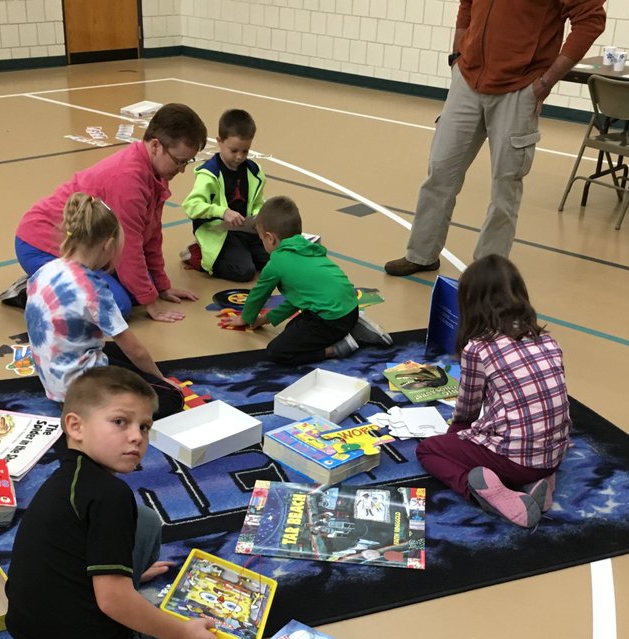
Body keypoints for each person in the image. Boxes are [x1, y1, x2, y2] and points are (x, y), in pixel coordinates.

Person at [5, 367, 228, 639]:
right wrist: (182, 635)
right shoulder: (109, 497)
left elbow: (62, 557)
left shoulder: (67, 478)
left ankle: (121, 590)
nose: (135, 438)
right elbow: (112, 602)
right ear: (75, 426)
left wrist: (128, 576)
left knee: (143, 520)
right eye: (120, 422)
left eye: (144, 427)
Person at [383, 0, 606, 277]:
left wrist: (545, 83)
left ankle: (487, 271)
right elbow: (467, 6)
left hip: (519, 88)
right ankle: (422, 254)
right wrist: (456, 56)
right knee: (440, 171)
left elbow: (590, 22)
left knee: (505, 186)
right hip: (467, 80)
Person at [9, 103, 208, 322]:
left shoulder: (156, 173)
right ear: (155, 146)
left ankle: (57, 282)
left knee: (140, 288)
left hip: (89, 247)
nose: (182, 170)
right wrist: (151, 303)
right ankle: (32, 291)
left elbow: (150, 236)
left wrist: (161, 287)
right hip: (39, 245)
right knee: (116, 307)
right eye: (179, 161)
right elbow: (129, 248)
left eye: (187, 162)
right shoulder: (129, 180)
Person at [416, 254, 569, 527]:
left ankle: (487, 493)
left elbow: (467, 409)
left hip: (517, 458)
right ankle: (537, 483)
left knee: (428, 451)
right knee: (520, 437)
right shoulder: (547, 339)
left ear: (469, 303)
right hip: (555, 455)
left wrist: (456, 440)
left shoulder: (479, 348)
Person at [25, 192, 183, 419]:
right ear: (108, 244)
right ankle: (102, 413)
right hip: (80, 393)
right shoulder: (93, 288)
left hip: (52, 378)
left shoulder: (44, 270)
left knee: (120, 355)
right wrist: (161, 379)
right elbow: (134, 348)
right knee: (170, 396)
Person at [240, 196, 393, 364]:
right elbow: (298, 300)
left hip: (332, 319)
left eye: (261, 239)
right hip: (349, 309)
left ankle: (337, 348)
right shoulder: (307, 247)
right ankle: (353, 327)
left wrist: (245, 319)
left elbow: (257, 296)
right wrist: (265, 319)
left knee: (277, 352)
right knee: (293, 330)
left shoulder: (276, 263)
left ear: (270, 238)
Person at [181, 109, 269, 281]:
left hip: (246, 231)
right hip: (219, 232)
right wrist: (222, 212)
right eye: (234, 150)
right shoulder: (209, 173)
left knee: (273, 261)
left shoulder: (254, 171)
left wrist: (259, 214)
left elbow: (258, 201)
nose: (239, 157)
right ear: (219, 142)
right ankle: (198, 255)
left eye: (245, 151)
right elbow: (191, 206)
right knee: (244, 272)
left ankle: (244, 253)